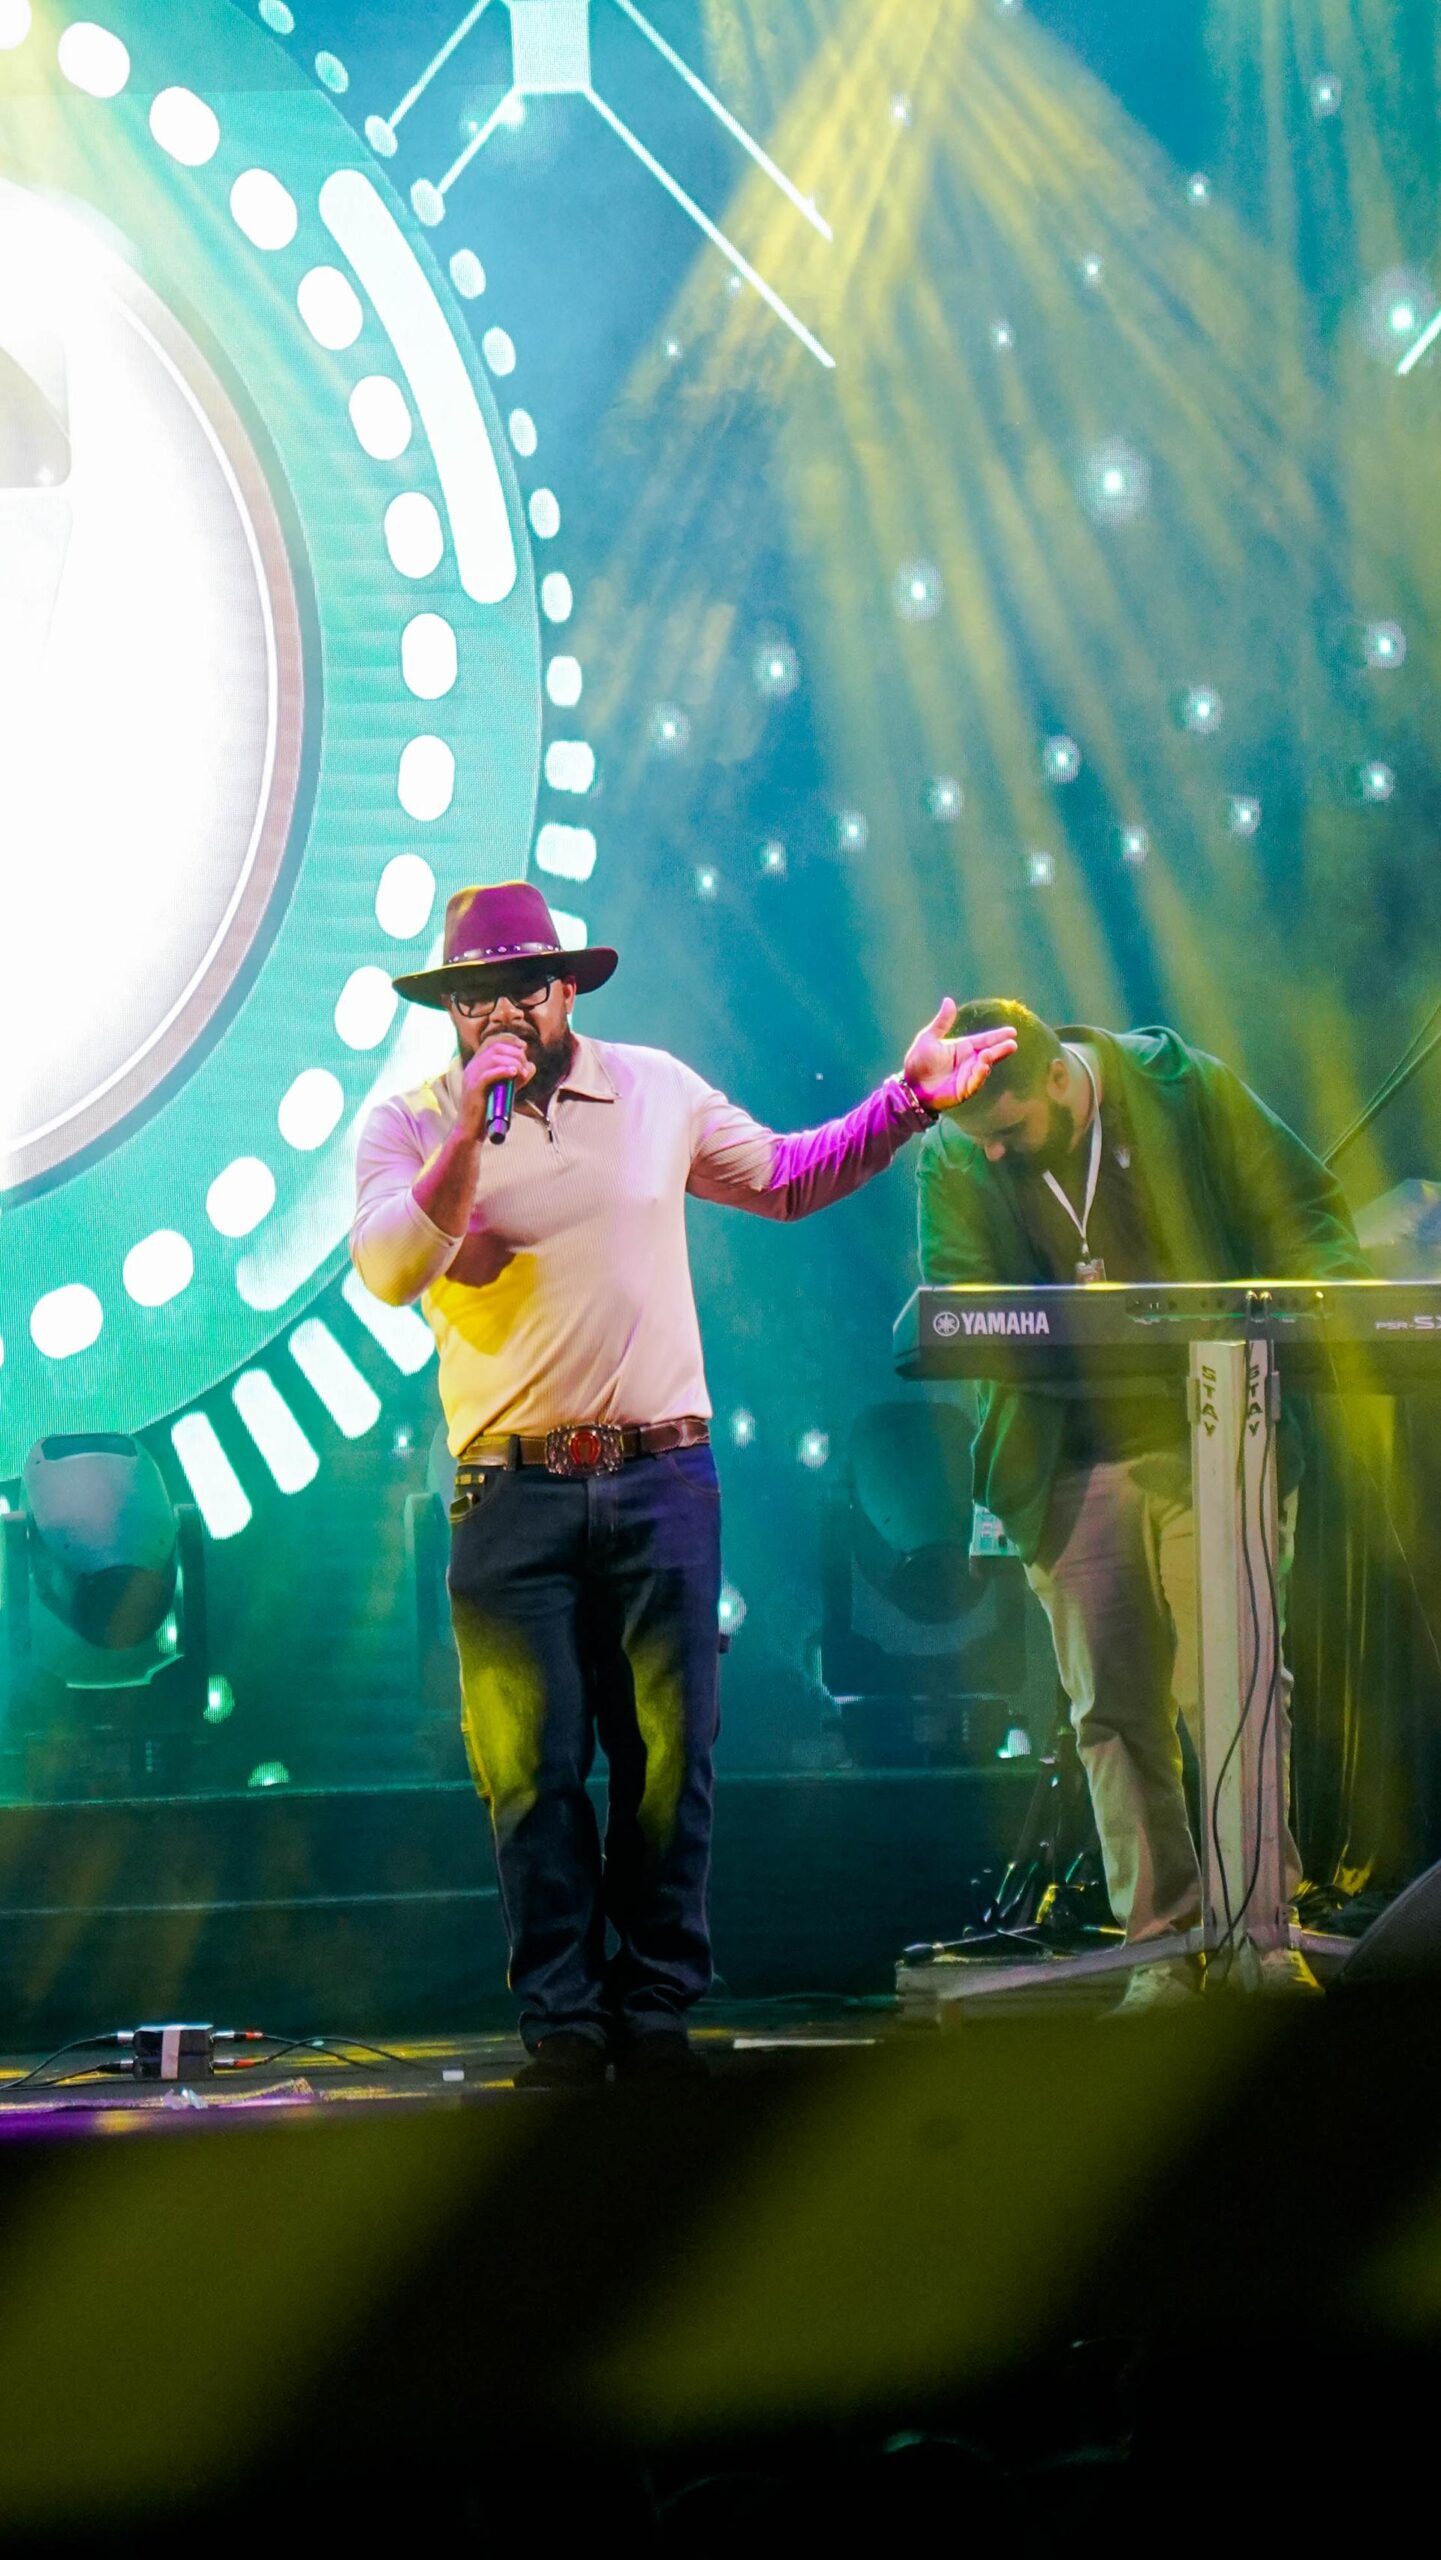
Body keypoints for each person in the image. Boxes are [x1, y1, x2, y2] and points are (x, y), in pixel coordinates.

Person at [351, 880, 1018, 2084]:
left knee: (669, 1764)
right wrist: (468, 1138)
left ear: (566, 988)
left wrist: (910, 1099)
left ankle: (655, 2007)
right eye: (470, 998)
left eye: (520, 987)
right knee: (530, 1775)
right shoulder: (409, 1125)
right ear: (448, 1012)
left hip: (659, 1474)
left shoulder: (653, 1086)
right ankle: (563, 2022)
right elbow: (394, 1268)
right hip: (509, 1493)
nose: (496, 1013)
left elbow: (787, 1176)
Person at [914, 999, 1368, 2008]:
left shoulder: (1179, 1088)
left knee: (1236, 1688)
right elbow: (956, 1298)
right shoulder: (954, 1153)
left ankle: (1259, 1937)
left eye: (1009, 1131)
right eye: (979, 1140)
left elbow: (1301, 1205)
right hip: (1062, 1462)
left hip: (1212, 1435)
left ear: (1060, 1080)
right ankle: (1158, 1950)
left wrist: (1322, 1323)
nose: (993, 1154)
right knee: (1111, 1714)